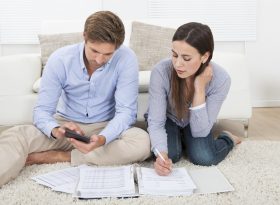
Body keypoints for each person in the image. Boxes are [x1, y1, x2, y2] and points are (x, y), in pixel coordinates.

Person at [0, 11, 151, 186]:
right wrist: (56, 129)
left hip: (105, 127)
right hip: (66, 127)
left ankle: (62, 156)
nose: (100, 59)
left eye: (108, 54)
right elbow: (42, 111)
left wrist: (102, 138)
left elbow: (126, 112)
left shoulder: (126, 58)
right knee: (16, 135)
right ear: (84, 37)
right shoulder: (60, 59)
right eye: (94, 51)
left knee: (142, 142)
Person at [147, 22, 241, 176]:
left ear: (205, 56)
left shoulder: (221, 79)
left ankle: (228, 138)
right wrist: (161, 155)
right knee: (171, 155)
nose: (178, 64)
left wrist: (199, 89)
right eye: (174, 55)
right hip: (168, 119)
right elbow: (156, 122)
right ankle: (181, 141)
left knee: (204, 157)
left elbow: (200, 131)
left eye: (186, 58)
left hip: (196, 121)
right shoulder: (161, 71)